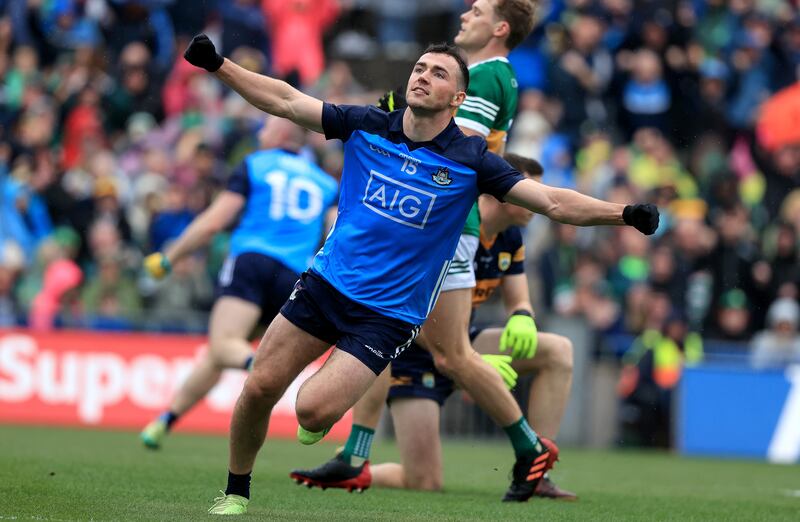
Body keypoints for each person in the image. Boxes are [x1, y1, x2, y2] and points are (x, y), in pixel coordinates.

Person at [181, 34, 658, 515]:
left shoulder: (472, 161)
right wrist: (219, 65)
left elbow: (553, 201)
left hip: (386, 315)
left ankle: (341, 428)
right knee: (260, 387)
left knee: (311, 410)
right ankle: (236, 491)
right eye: (420, 68)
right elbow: (286, 101)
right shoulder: (368, 125)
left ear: (457, 99)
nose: (423, 76)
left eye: (438, 73)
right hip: (324, 285)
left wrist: (625, 213)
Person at [291, 0, 550, 495]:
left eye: (477, 10)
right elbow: (405, 114)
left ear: (499, 27)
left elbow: (450, 148)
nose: (464, 15)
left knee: (446, 352)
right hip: (442, 222)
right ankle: (356, 454)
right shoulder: (484, 74)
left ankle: (530, 447)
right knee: (398, 333)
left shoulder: (489, 76)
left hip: (443, 223)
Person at [292, 154, 578, 500]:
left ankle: (539, 472)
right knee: (425, 481)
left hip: (459, 341)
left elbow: (518, 298)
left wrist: (522, 315)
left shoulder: (510, 238)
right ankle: (353, 460)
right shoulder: (453, 231)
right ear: (502, 192)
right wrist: (469, 363)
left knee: (558, 350)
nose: (538, 197)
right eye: (531, 187)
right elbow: (419, 319)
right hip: (413, 350)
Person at [139, 117, 338, 448]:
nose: (261, 132)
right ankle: (166, 419)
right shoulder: (325, 183)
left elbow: (213, 222)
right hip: (292, 277)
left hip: (250, 263)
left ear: (283, 134)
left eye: (268, 127)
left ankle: (264, 370)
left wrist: (169, 258)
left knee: (223, 344)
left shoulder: (255, 165)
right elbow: (336, 234)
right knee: (220, 354)